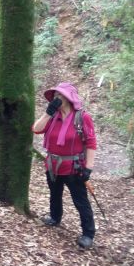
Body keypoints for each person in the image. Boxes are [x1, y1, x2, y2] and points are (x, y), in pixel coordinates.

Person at [32, 82, 97, 248]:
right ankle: (55, 217)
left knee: (80, 200)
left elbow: (91, 143)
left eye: (60, 95)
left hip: (73, 167)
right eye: (55, 96)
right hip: (53, 165)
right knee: (55, 193)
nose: (56, 98)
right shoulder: (53, 116)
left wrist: (88, 168)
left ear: (69, 98)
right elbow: (36, 129)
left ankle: (88, 233)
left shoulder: (82, 117)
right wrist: (48, 113)